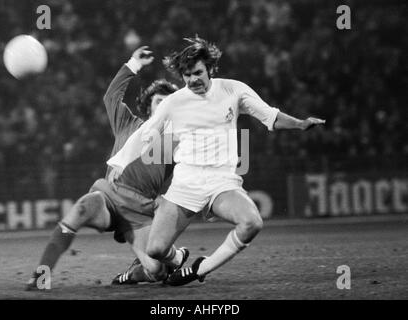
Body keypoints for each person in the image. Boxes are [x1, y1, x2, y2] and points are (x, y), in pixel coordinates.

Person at [107, 37, 326, 286]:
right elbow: (144, 135)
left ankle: (201, 268)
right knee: (155, 250)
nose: (193, 80)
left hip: (221, 182)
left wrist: (299, 124)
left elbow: (270, 116)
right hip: (185, 185)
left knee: (251, 222)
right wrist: (119, 161)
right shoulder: (173, 103)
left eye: (198, 73)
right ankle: (177, 258)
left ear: (210, 69)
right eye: (187, 75)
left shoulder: (233, 90)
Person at [26, 46, 187, 290]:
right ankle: (41, 276)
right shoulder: (127, 123)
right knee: (79, 210)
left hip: (140, 210)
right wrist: (133, 64)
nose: (164, 107)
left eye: (169, 104)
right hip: (109, 197)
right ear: (149, 106)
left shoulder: (176, 140)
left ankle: (139, 271)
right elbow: (111, 96)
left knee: (156, 271)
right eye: (159, 101)